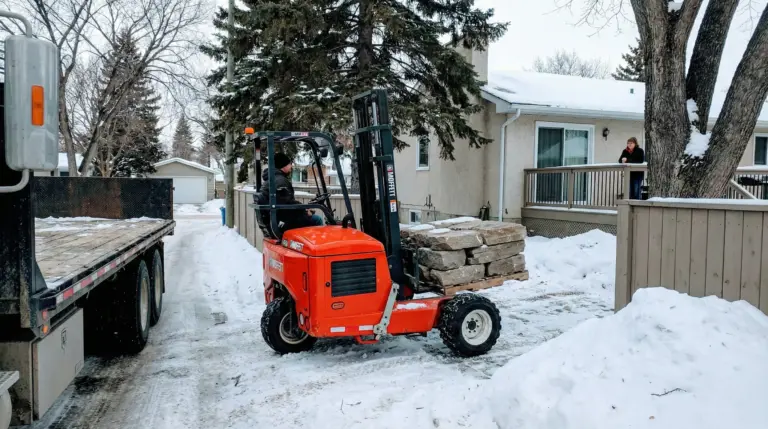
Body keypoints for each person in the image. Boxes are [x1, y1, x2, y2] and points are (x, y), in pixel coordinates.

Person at [257, 152, 323, 230]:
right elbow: (287, 205)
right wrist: (304, 211)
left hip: (278, 218)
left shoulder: (272, 179)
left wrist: (304, 209)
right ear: (283, 166)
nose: (291, 166)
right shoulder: (280, 181)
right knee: (317, 220)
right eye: (289, 164)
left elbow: (286, 202)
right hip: (284, 221)